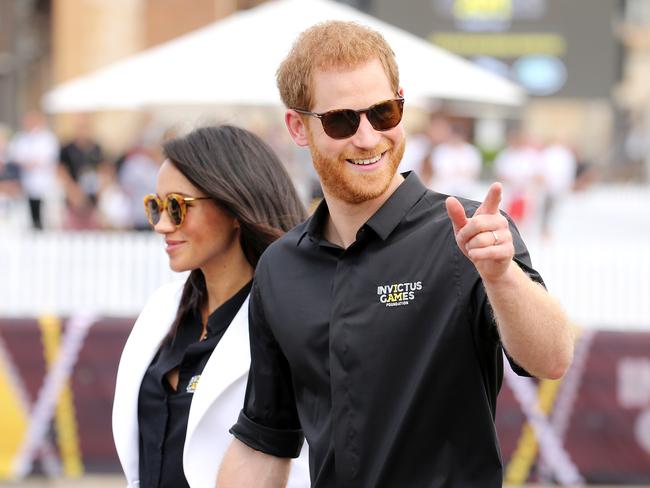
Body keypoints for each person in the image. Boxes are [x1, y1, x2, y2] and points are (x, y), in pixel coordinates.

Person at [218, 21, 574, 488]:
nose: (367, 138)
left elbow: (551, 359)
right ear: (297, 127)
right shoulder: (281, 268)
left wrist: (502, 276)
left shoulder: (469, 235)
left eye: (383, 112)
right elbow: (266, 439)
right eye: (342, 120)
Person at [112, 125, 311, 488]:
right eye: (155, 207)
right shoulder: (162, 309)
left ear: (235, 206)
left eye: (177, 206)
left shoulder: (291, 320)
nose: (162, 224)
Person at [8, 110, 59, 229]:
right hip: (26, 185)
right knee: (28, 218)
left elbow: (47, 159)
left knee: (46, 218)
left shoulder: (47, 138)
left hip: (45, 184)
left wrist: (30, 162)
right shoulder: (21, 138)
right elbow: (15, 157)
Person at [58, 114, 104, 230]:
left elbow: (103, 171)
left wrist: (99, 190)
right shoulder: (67, 149)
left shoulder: (96, 148)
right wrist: (73, 192)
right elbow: (61, 171)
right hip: (72, 200)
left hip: (92, 200)